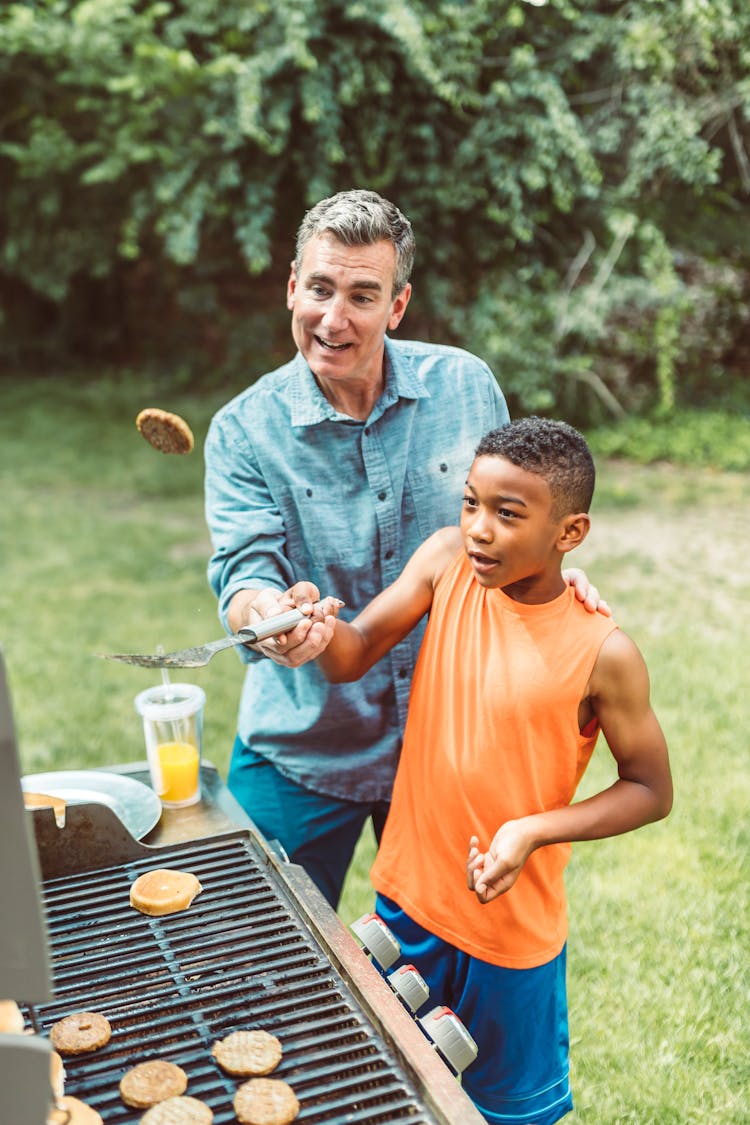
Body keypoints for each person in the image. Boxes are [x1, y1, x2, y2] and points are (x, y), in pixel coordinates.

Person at [204, 189, 605, 909]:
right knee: (257, 953)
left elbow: (516, 525)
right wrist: (269, 613)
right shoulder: (242, 431)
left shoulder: (465, 386)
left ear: (397, 304)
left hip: (450, 746)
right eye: (320, 288)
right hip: (299, 743)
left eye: (363, 294)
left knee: (450, 976)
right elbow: (245, 569)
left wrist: (559, 586)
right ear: (293, 287)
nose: (335, 317)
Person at [291, 417, 672, 1124]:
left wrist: (530, 829)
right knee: (390, 1087)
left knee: (507, 1112)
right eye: (470, 502)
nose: (478, 529)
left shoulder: (603, 652)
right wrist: (315, 628)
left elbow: (651, 789)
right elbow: (356, 647)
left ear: (570, 532)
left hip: (509, 938)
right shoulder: (444, 564)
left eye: (507, 514)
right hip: (406, 900)